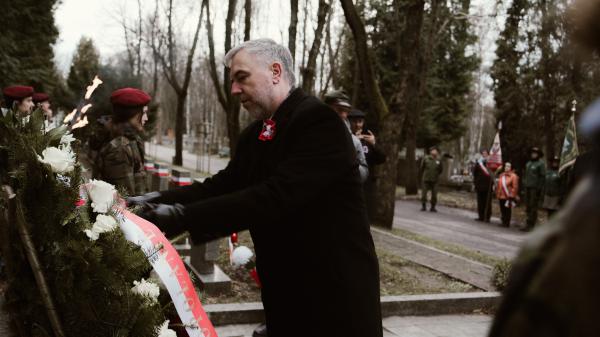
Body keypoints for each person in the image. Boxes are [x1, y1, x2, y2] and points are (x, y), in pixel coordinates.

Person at [128, 39, 382, 337]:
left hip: (334, 295)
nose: (234, 89)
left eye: (242, 77)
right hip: (285, 292)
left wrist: (178, 217)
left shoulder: (319, 122)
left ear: (275, 71)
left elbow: (275, 196)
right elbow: (221, 186)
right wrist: (151, 201)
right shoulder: (256, 133)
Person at [93, 88, 150, 196]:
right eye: (144, 113)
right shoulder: (120, 148)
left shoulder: (129, 140)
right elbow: (124, 196)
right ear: (133, 115)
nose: (146, 118)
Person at [323, 90, 369, 183]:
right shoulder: (312, 133)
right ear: (326, 109)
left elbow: (364, 172)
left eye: (346, 111)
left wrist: (349, 164)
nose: (344, 115)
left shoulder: (354, 141)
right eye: (339, 110)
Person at [348, 108, 386, 219]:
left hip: (366, 186)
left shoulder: (367, 140)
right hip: (350, 184)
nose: (358, 125)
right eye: (355, 121)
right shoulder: (346, 138)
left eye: (360, 121)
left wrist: (374, 144)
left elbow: (382, 158)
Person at [522, 147, 546, 231]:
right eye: (532, 153)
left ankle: (531, 224)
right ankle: (527, 223)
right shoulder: (528, 163)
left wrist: (539, 189)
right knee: (528, 206)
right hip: (527, 187)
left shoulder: (540, 164)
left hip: (534, 188)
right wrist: (524, 183)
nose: (533, 154)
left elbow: (542, 177)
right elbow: (525, 174)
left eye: (535, 153)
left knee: (533, 206)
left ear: (538, 155)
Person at [472, 149, 493, 222]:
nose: (484, 154)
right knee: (480, 202)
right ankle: (481, 216)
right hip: (480, 185)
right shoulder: (478, 163)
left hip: (488, 186)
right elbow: (475, 173)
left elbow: (493, 173)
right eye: (483, 153)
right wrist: (475, 183)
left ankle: (487, 217)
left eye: (486, 153)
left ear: (488, 154)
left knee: (487, 202)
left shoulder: (491, 163)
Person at [496, 162, 519, 227]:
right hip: (501, 195)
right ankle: (503, 221)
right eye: (506, 166)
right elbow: (499, 185)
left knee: (507, 210)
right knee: (502, 209)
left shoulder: (513, 176)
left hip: (508, 196)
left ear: (511, 168)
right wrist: (498, 193)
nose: (506, 167)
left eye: (508, 166)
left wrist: (512, 195)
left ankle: (507, 222)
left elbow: (515, 187)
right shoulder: (502, 175)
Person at [420, 146, 443, 212]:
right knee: (424, 194)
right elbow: (422, 168)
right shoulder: (426, 158)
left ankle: (433, 207)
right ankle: (423, 206)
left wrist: (436, 175)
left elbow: (441, 170)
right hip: (426, 179)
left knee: (434, 194)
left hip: (435, 180)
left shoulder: (439, 160)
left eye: (436, 150)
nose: (435, 151)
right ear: (430, 151)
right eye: (433, 150)